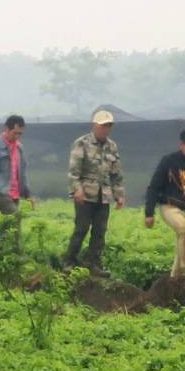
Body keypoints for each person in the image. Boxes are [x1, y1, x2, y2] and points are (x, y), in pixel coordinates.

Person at [141, 126, 185, 278]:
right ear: (182, 145)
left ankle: (174, 280)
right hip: (170, 206)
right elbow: (153, 187)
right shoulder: (169, 161)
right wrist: (149, 213)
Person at [63, 110, 124, 273]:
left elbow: (116, 173)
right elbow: (73, 171)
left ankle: (94, 263)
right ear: (95, 125)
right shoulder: (82, 143)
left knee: (100, 231)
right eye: (103, 125)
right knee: (81, 228)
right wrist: (77, 190)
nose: (106, 129)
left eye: (109, 126)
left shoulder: (112, 146)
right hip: (85, 195)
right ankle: (69, 261)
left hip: (104, 196)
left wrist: (119, 195)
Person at [0, 115, 28, 253]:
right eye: (15, 133)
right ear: (6, 129)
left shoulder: (19, 147)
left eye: (20, 133)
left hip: (15, 192)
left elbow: (23, 171)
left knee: (6, 225)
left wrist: (27, 193)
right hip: (2, 192)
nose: (18, 136)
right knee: (15, 218)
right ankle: (18, 254)